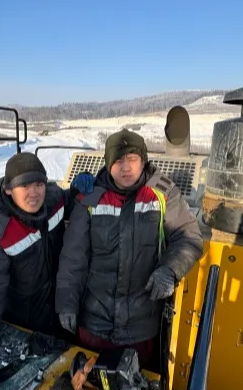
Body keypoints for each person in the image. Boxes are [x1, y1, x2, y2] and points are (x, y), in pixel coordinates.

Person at [55, 129, 203, 368]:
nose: (126, 168)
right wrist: (66, 303)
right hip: (94, 324)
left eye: (132, 159)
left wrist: (170, 269)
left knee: (136, 386)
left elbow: (188, 236)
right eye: (118, 161)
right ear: (108, 164)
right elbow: (73, 258)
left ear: (143, 160)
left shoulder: (162, 193)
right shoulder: (91, 197)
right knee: (88, 384)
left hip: (140, 328)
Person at [0, 152, 95, 374]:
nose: (34, 193)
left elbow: (70, 200)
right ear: (9, 189)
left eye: (39, 184)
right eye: (25, 186)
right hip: (24, 324)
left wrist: (78, 187)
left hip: (59, 311)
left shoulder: (53, 200)